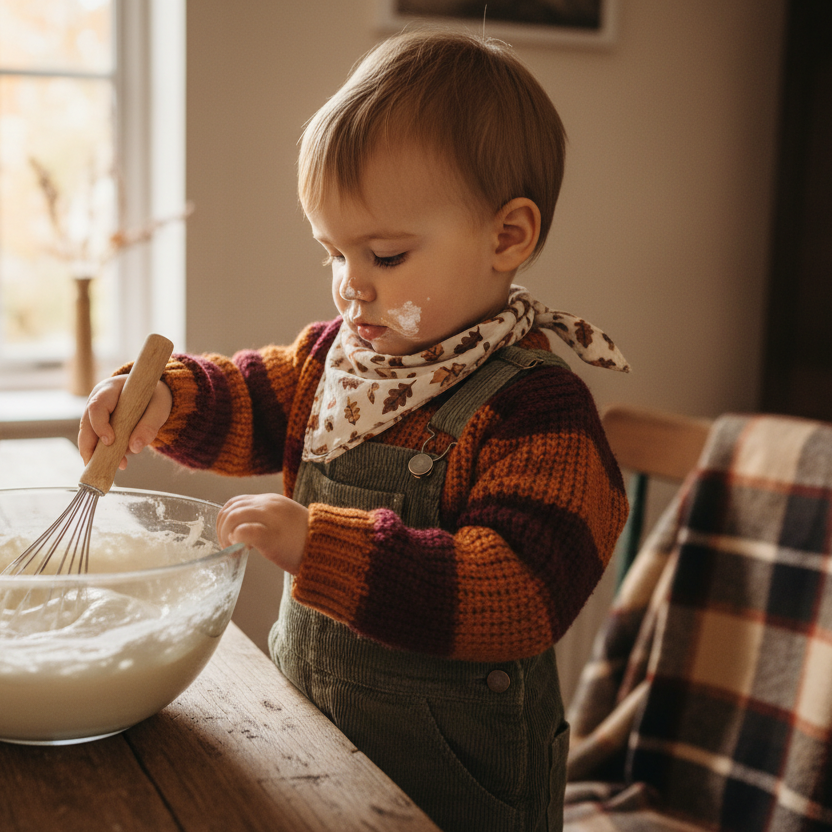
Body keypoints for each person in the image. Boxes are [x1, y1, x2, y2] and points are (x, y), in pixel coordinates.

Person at [79, 29, 630, 832]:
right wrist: (166, 399)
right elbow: (247, 398)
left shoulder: (539, 411)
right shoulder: (334, 360)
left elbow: (517, 591)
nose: (351, 287)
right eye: (333, 254)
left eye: (386, 255)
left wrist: (320, 547)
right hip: (316, 746)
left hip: (462, 789)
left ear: (507, 236)